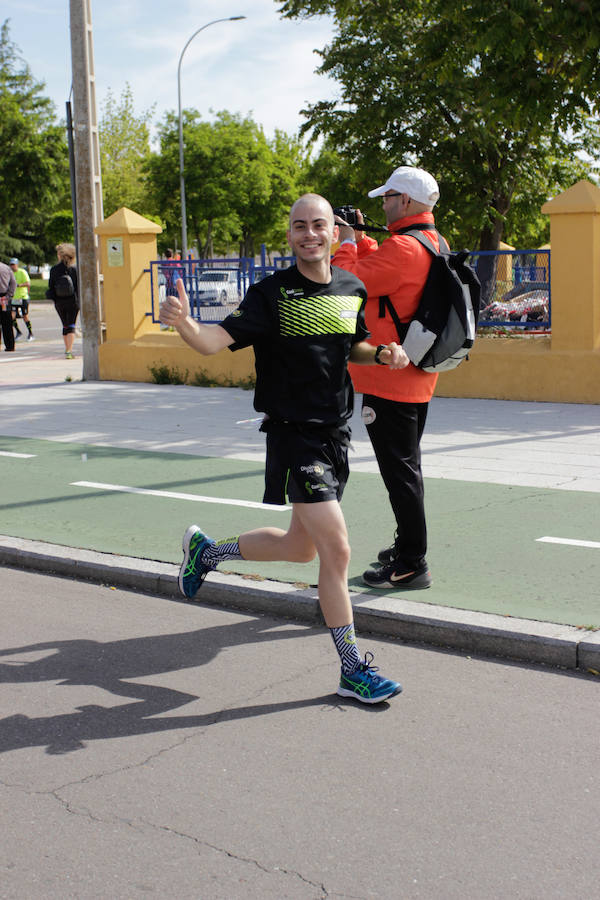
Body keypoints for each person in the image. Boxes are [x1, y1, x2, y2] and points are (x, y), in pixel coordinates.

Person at [160, 193, 409, 704]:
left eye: (319, 225)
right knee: (337, 550)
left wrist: (381, 353)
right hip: (293, 435)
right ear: (290, 234)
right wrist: (184, 323)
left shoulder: (351, 286)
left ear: (335, 231)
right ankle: (353, 669)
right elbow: (212, 342)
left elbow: (351, 342)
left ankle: (208, 552)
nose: (310, 234)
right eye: (300, 226)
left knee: (301, 549)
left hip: (336, 433)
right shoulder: (271, 294)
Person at [333, 166, 443, 591]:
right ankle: (408, 547)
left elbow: (347, 283)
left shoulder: (404, 248)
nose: (383, 203)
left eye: (389, 196)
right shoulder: (429, 241)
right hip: (413, 374)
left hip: (388, 378)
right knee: (406, 468)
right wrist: (360, 239)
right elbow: (382, 274)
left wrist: (346, 242)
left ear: (409, 202)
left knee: (400, 473)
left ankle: (412, 562)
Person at [46, 243, 79, 359]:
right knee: (71, 325)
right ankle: (69, 351)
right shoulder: (74, 269)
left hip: (59, 301)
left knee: (65, 325)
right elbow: (78, 286)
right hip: (73, 301)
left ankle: (67, 348)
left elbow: (51, 286)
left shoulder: (54, 269)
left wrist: (55, 299)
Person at [9, 259, 34, 341]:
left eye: (14, 264)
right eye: (11, 265)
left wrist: (18, 285)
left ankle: (30, 333)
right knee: (11, 317)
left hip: (23, 297)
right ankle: (18, 332)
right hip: (14, 298)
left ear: (17, 264)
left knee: (25, 316)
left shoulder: (22, 272)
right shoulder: (10, 273)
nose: (12, 266)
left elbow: (28, 283)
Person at [0, 260, 17, 351]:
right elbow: (13, 283)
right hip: (4, 298)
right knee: (7, 323)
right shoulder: (6, 268)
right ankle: (10, 346)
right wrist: (9, 295)